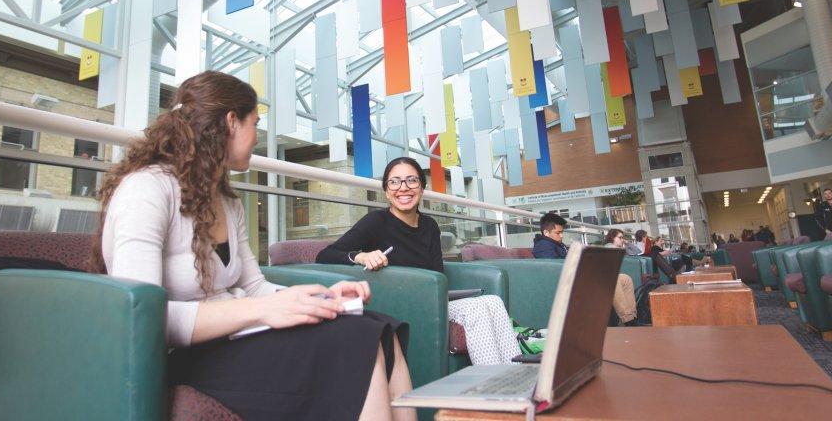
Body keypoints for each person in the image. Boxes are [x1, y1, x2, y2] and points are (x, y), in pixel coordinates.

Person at [93, 71, 414, 421]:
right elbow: (141, 316)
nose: (257, 136)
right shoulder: (147, 190)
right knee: (353, 342)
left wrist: (321, 297)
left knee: (379, 327)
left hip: (234, 339)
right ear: (232, 122)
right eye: (255, 124)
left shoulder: (227, 202)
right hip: (183, 356)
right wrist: (259, 312)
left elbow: (253, 286)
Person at [316, 157, 521, 365]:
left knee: (493, 302)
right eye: (394, 182)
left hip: (432, 300)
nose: (403, 188)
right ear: (387, 191)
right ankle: (491, 386)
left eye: (411, 181)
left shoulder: (430, 225)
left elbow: (437, 272)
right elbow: (325, 255)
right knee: (476, 310)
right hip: (399, 303)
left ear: (421, 188)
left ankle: (515, 377)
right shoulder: (376, 221)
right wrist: (360, 256)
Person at [599, 229, 642, 326]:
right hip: (602, 279)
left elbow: (638, 251)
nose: (622, 240)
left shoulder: (620, 249)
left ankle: (633, 315)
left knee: (626, 279)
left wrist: (626, 242)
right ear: (612, 238)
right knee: (616, 279)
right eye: (620, 237)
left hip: (610, 277)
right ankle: (628, 319)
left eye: (623, 238)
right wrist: (623, 246)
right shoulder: (609, 248)